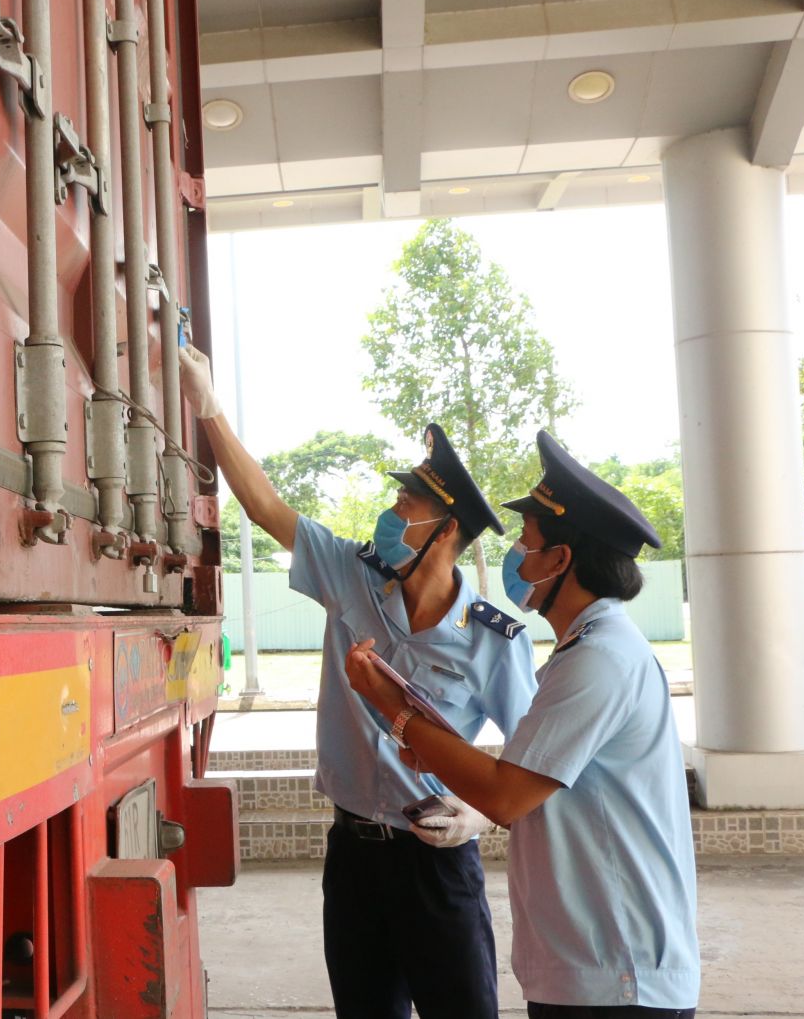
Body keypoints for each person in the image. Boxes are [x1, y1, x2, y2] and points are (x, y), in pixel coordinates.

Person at [179, 346, 538, 1019]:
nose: (392, 509)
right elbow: (264, 506)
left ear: (448, 527)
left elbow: (532, 764)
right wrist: (209, 404)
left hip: (436, 865)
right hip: (353, 859)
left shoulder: (495, 639)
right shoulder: (353, 574)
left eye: (408, 500)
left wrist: (483, 814)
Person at [346, 430, 701, 1018]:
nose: (516, 558)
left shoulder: (599, 659)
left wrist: (395, 709)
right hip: (589, 965)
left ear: (561, 560)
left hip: (617, 973)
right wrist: (434, 750)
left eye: (527, 545)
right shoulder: (586, 649)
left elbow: (505, 795)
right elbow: (516, 776)